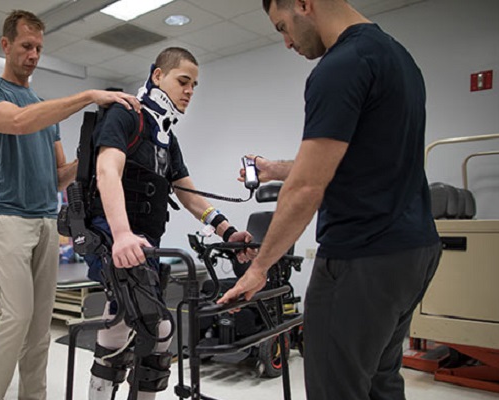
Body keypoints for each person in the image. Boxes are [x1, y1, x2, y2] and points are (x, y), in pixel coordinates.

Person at [218, 1, 442, 399]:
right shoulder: (398, 57)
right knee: (380, 381)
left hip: (360, 257)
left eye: (283, 27)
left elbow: (307, 188)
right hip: (412, 253)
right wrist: (273, 169)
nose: (287, 42)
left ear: (305, 4)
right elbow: (355, 156)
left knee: (335, 389)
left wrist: (260, 267)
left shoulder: (340, 65)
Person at [0, 10, 141, 400]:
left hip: (45, 219)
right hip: (6, 217)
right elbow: (16, 122)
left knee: (39, 326)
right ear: (6, 45)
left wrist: (98, 149)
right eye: (26, 46)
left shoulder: (44, 108)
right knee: (15, 317)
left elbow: (59, 176)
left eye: (38, 48)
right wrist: (86, 95)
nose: (33, 55)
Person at [84, 47, 255, 400]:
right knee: (157, 328)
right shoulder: (125, 115)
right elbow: (106, 170)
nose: (189, 90)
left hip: (143, 242)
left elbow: (188, 194)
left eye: (194, 84)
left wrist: (227, 231)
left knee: (123, 321)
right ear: (157, 75)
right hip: (110, 235)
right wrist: (120, 235)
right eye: (183, 81)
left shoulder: (166, 138)